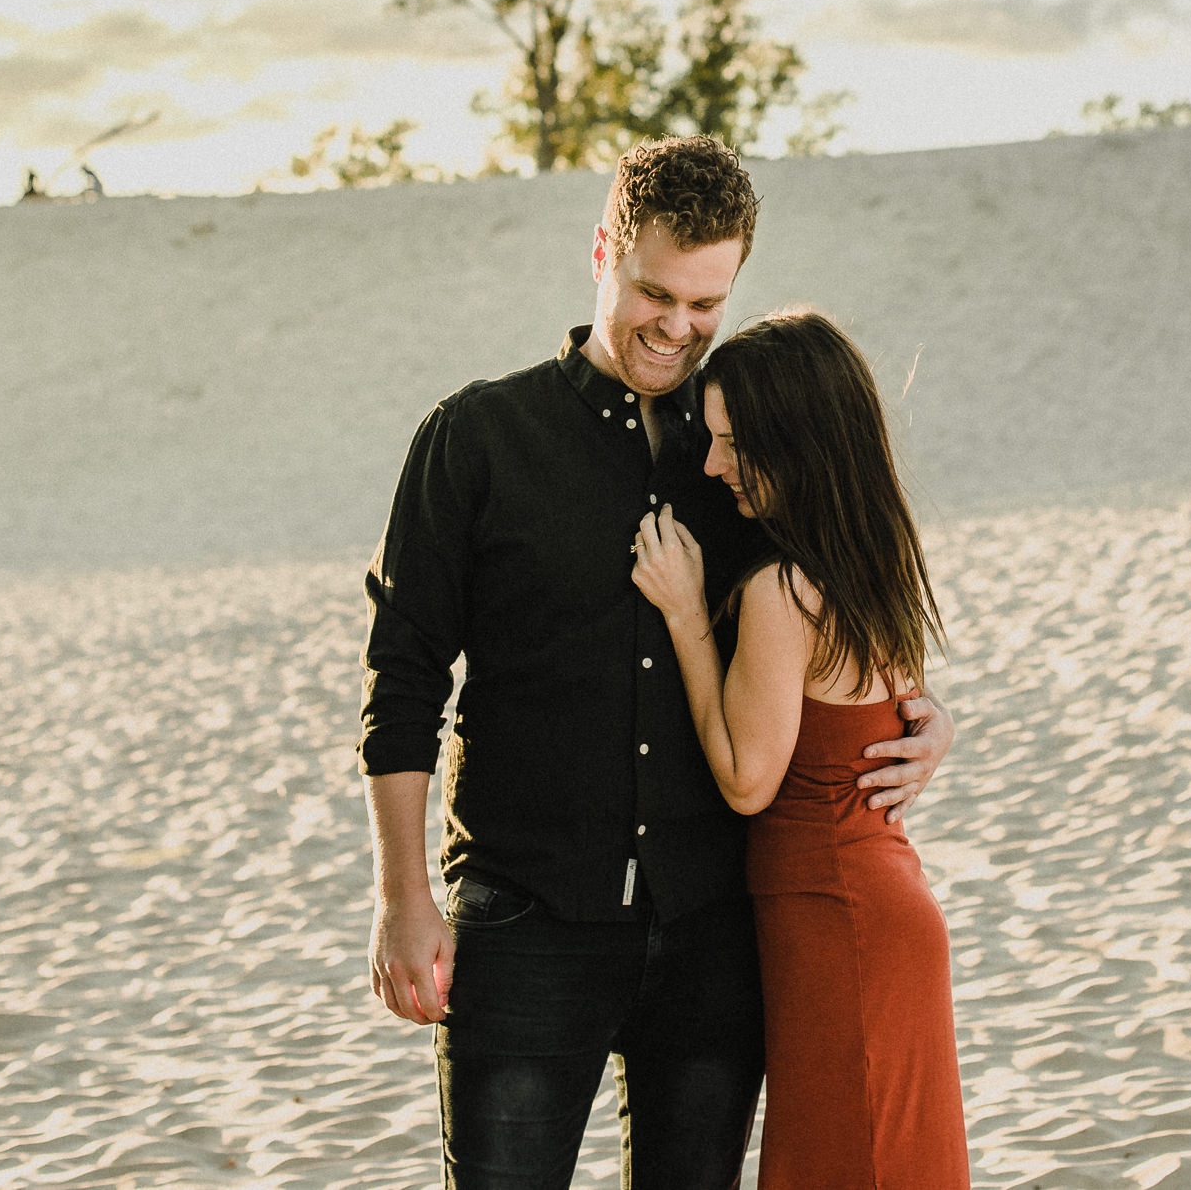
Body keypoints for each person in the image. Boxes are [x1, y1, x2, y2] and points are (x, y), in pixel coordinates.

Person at [359, 135, 957, 1189]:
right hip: (527, 920)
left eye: (705, 304)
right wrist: (402, 896)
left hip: (712, 930)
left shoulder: (737, 448)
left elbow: (835, 592)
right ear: (602, 249)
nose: (676, 327)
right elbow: (403, 680)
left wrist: (916, 714)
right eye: (654, 293)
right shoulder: (478, 437)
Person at [632, 309, 971, 1190]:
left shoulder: (785, 591)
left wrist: (684, 614)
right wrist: (938, 722)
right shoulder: (875, 555)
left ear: (799, 442)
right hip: (883, 904)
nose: (712, 465)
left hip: (837, 920)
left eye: (734, 444)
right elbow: (897, 706)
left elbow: (748, 780)